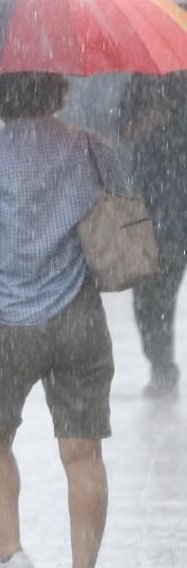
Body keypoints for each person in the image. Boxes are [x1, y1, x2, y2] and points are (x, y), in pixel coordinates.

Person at [0, 71, 120, 568]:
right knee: (83, 451)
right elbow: (118, 205)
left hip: (7, 323)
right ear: (57, 88)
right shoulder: (91, 147)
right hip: (79, 318)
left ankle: (12, 555)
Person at [119, 74, 187, 399]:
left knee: (157, 296)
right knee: (149, 299)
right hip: (153, 210)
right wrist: (148, 119)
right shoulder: (143, 79)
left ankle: (162, 368)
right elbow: (124, 128)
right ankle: (161, 366)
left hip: (173, 210)